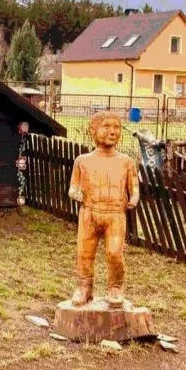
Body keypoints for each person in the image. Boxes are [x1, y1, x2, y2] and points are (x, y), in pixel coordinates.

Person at [68, 111, 140, 308]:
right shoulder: (82, 161)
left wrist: (133, 199)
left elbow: (134, 187)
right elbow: (73, 187)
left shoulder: (126, 162)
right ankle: (84, 286)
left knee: (115, 252)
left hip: (115, 215)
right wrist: (75, 193)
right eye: (106, 126)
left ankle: (116, 286)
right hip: (89, 213)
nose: (112, 131)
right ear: (93, 130)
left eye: (116, 127)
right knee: (84, 253)